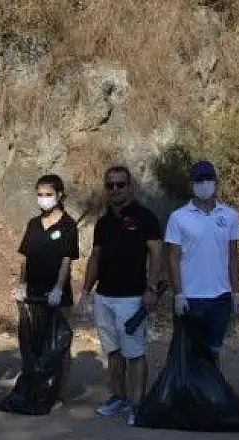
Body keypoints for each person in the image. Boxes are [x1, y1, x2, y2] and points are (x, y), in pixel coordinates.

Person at [77, 165, 163, 421]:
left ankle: (137, 404)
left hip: (132, 297)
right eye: (110, 185)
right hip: (104, 296)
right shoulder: (103, 223)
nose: (115, 189)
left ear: (130, 186)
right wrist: (85, 291)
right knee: (113, 352)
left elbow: (157, 254)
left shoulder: (146, 217)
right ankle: (119, 397)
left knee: (134, 353)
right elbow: (95, 257)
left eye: (120, 184)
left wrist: (151, 288)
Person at [164, 160, 239, 366]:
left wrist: (237, 292)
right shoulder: (178, 217)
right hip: (191, 298)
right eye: (199, 180)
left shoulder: (230, 216)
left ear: (215, 182)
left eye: (208, 179)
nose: (204, 184)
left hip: (220, 298)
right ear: (192, 184)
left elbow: (233, 256)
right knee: (187, 354)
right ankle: (188, 397)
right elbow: (172, 257)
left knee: (214, 352)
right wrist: (178, 294)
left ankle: (212, 395)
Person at [13, 173, 79, 405]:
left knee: (58, 343)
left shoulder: (68, 225)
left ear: (59, 195)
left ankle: (56, 392)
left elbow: (66, 260)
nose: (44, 199)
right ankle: (34, 385)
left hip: (56, 294)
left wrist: (59, 289)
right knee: (33, 342)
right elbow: (25, 258)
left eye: (48, 194)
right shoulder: (33, 224)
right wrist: (21, 284)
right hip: (33, 293)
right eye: (40, 195)